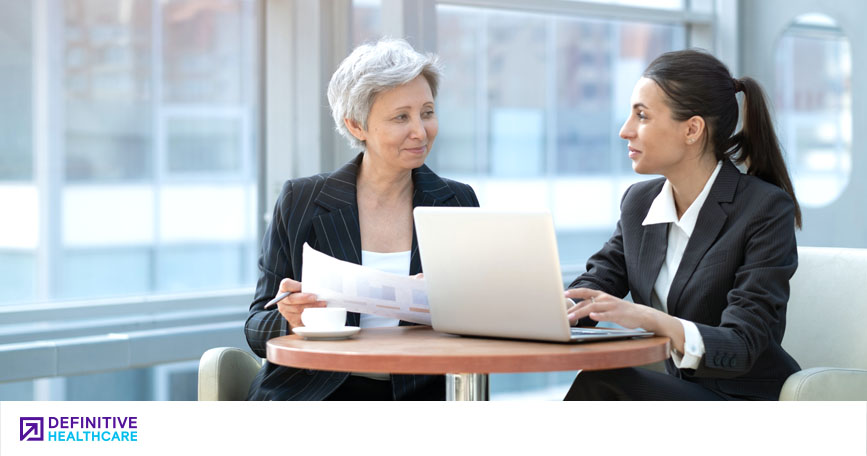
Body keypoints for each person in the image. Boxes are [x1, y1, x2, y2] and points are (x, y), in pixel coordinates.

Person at [245, 38, 479, 401]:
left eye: (427, 112)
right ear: (356, 126)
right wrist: (289, 318)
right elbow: (256, 329)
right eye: (401, 117)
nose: (420, 130)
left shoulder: (458, 201)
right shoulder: (301, 201)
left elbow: (480, 322)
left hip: (419, 397)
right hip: (316, 393)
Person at [563, 49, 802, 400]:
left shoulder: (764, 209)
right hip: (678, 390)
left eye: (641, 116)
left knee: (603, 386)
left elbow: (743, 343)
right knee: (602, 382)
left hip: (742, 398)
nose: (625, 131)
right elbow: (597, 283)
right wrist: (559, 309)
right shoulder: (639, 203)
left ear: (692, 129)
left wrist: (647, 318)